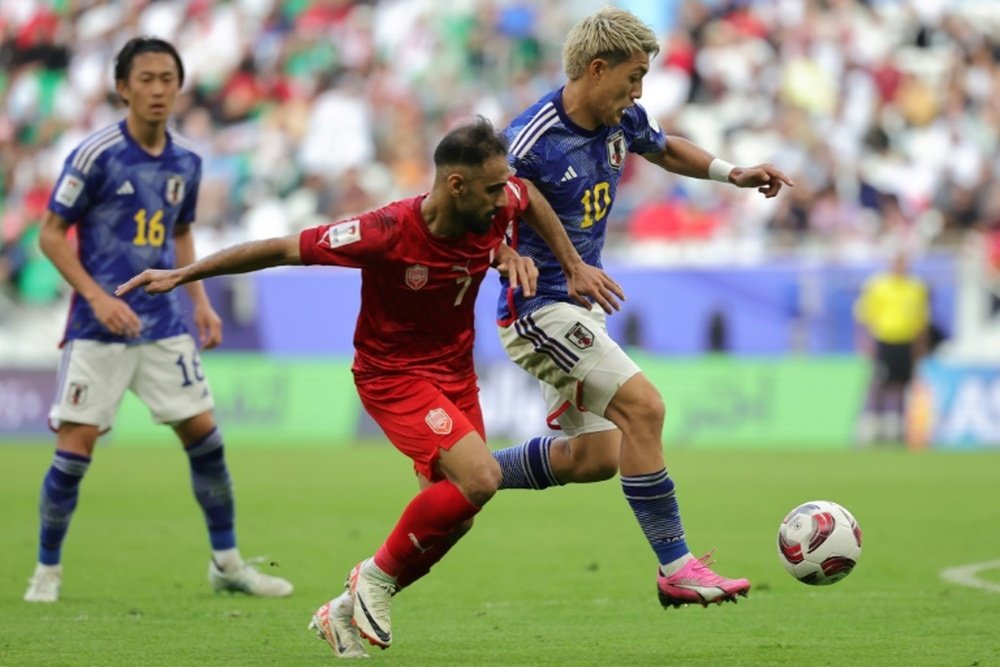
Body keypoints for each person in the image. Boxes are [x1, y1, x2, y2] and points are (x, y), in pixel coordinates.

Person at [117, 117, 620, 657]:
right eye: (494, 188)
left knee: (456, 515)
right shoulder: (385, 231)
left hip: (455, 373)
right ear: (456, 185)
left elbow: (530, 198)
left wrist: (542, 259)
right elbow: (283, 248)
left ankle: (339, 613)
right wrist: (184, 274)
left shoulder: (497, 201)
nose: (506, 198)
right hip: (394, 375)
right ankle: (371, 580)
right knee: (480, 478)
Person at [489, 7, 793, 608]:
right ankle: (677, 567)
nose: (639, 91)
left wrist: (732, 173)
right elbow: (464, 209)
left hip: (579, 308)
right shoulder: (527, 140)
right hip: (538, 310)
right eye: (633, 78)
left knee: (595, 458)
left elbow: (663, 149)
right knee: (645, 408)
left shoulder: (621, 118)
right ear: (596, 69)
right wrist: (502, 255)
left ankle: (466, 470)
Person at [24, 37, 292, 603]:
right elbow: (50, 234)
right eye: (145, 78)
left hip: (165, 324)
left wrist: (199, 301)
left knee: (206, 441)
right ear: (123, 87)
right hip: (99, 328)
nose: (157, 89)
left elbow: (179, 231)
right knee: (74, 453)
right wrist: (97, 298)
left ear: (179, 85)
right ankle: (46, 571)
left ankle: (227, 564)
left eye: (167, 78)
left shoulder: (188, 161)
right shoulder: (95, 155)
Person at [854, 251, 930, 444]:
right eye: (896, 261)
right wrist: (866, 343)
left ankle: (896, 426)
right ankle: (873, 424)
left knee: (901, 383)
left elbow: (921, 321)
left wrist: (920, 347)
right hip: (884, 339)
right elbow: (866, 317)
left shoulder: (916, 287)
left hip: (906, 341)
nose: (900, 266)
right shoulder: (878, 286)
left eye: (903, 262)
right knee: (879, 383)